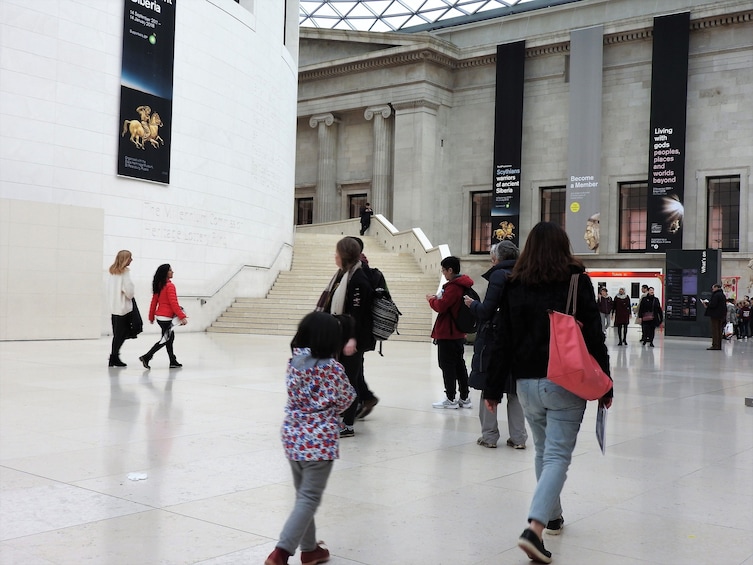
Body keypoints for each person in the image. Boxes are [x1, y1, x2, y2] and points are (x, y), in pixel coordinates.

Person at [483, 222, 612, 564]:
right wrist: (606, 382)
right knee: (556, 455)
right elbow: (594, 337)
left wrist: (493, 389)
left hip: (525, 384)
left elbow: (502, 339)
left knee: (544, 451)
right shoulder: (575, 280)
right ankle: (535, 529)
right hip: (565, 382)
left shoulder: (514, 283)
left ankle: (552, 516)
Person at [265, 312, 356, 565]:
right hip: (319, 441)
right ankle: (281, 552)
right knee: (309, 498)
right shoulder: (333, 368)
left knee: (303, 496)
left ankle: (310, 549)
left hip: (292, 436)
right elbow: (348, 398)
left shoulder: (293, 362)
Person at [464, 241, 527, 449]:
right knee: (515, 391)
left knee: (489, 384)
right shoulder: (526, 274)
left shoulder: (499, 276)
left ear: (497, 258)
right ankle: (519, 438)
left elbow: (486, 311)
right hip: (520, 339)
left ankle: (489, 436)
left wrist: (472, 304)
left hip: (495, 338)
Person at [316, 237, 375, 437]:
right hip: (341, 336)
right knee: (348, 379)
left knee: (348, 381)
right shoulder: (344, 276)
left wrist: (351, 340)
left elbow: (357, 315)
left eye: (337, 253)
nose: (335, 256)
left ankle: (347, 425)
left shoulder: (358, 280)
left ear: (345, 256)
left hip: (351, 339)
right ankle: (342, 417)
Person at [427, 256, 473, 409]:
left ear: (450, 270)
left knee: (447, 365)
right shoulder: (461, 284)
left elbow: (442, 306)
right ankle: (464, 397)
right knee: (459, 365)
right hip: (457, 333)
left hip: (449, 333)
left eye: (444, 271)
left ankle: (451, 398)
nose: (443, 274)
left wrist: (431, 300)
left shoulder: (454, 287)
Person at [347, 236, 380, 420]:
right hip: (359, 332)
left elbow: (357, 310)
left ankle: (360, 402)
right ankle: (364, 398)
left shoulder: (359, 274)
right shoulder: (358, 270)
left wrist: (351, 336)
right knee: (355, 368)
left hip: (357, 333)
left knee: (353, 370)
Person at [139, 264, 188, 369]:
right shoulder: (170, 286)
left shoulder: (159, 285)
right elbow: (173, 303)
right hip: (167, 318)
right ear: (166, 273)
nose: (172, 272)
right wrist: (182, 317)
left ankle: (172, 361)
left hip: (160, 318)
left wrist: (151, 316)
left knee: (169, 339)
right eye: (170, 270)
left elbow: (154, 302)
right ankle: (147, 356)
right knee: (165, 339)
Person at [107, 250, 135, 367]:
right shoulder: (125, 272)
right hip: (123, 308)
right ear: (125, 259)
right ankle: (114, 357)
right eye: (129, 258)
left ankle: (114, 356)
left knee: (117, 334)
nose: (131, 260)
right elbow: (129, 292)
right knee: (122, 334)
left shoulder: (113, 272)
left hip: (114, 307)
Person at [701, 283, 726, 350]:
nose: (712, 290)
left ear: (716, 288)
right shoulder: (722, 295)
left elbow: (713, 305)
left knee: (715, 330)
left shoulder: (716, 295)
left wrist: (706, 303)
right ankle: (719, 345)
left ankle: (715, 345)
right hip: (721, 315)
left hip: (715, 315)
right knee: (719, 330)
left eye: (713, 288)